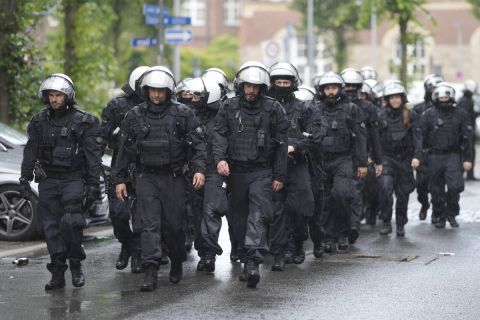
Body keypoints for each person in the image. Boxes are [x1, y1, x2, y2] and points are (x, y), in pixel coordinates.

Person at [114, 66, 206, 291]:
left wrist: (199, 170)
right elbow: (124, 149)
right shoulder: (135, 115)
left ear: (168, 91)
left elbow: (199, 146)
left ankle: (176, 261)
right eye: (152, 90)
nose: (156, 95)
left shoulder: (183, 114)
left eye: (161, 90)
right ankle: (151, 270)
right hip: (147, 178)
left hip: (174, 177)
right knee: (148, 225)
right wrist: (119, 179)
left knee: (175, 227)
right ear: (146, 91)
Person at [20, 73, 104, 290]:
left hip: (73, 179)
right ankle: (57, 272)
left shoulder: (84, 121)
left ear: (68, 96)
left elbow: (92, 156)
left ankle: (75, 264)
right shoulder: (39, 121)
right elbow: (30, 150)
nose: (54, 99)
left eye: (58, 95)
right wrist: (24, 177)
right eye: (50, 95)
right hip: (48, 180)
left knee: (71, 223)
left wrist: (94, 184)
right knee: (50, 229)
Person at [213, 61, 289, 288]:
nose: (252, 90)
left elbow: (281, 145)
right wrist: (220, 159)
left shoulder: (274, 108)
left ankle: (254, 262)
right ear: (241, 85)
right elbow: (219, 136)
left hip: (262, 172)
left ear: (262, 87)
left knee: (258, 215)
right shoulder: (228, 107)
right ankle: (246, 259)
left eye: (256, 86)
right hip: (236, 172)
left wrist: (279, 175)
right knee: (237, 220)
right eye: (248, 86)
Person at [267, 62, 325, 270]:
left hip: (297, 165)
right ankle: (283, 251)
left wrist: (295, 146)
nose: (282, 85)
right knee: (276, 211)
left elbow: (316, 136)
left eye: (286, 82)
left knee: (301, 208)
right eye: (278, 82)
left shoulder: (304, 108)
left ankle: (299, 242)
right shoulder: (264, 107)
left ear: (294, 83)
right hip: (270, 166)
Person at [311, 72, 368, 254]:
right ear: (322, 90)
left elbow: (360, 137)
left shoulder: (351, 109)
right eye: (327, 88)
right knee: (324, 199)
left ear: (340, 89)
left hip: (342, 159)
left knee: (342, 194)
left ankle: (343, 233)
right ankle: (327, 237)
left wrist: (362, 163)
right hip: (321, 160)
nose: (331, 92)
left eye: (334, 88)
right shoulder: (314, 109)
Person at [101, 66, 149, 273]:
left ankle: (138, 253)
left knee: (142, 216)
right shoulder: (117, 106)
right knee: (118, 215)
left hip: (146, 167)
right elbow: (102, 135)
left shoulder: (159, 106)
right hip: (120, 166)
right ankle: (126, 245)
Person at [412, 82, 473, 229]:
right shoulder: (428, 114)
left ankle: (451, 213)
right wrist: (418, 156)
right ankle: (439, 215)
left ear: (451, 97)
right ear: (436, 97)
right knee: (436, 189)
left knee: (454, 187)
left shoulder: (461, 114)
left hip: (453, 155)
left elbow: (467, 137)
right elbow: (420, 137)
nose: (444, 98)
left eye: (446, 96)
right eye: (441, 96)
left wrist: (467, 159)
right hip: (434, 156)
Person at [341, 68, 382, 243]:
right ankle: (341, 228)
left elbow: (373, 134)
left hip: (361, 157)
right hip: (340, 156)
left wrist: (376, 158)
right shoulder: (335, 106)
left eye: (353, 86)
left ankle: (353, 226)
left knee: (356, 193)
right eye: (346, 86)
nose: (349, 89)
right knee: (340, 194)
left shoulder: (368, 107)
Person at [377, 82, 416, 236]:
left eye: (397, 97)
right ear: (388, 99)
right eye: (392, 98)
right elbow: (374, 137)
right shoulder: (380, 115)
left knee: (403, 194)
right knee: (386, 189)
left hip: (405, 159)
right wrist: (374, 158)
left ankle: (400, 223)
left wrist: (417, 156)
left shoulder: (410, 115)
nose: (395, 100)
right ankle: (386, 222)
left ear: (402, 98)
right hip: (387, 158)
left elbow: (417, 136)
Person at [411, 74, 444, 223]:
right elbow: (414, 132)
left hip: (438, 153)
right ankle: (424, 204)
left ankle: (437, 213)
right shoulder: (418, 109)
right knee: (421, 186)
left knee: (437, 186)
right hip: (423, 153)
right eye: (432, 89)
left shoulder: (447, 108)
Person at [457, 80, 478, 180]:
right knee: (468, 151)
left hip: (466, 129)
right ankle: (466, 174)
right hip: (467, 130)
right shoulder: (466, 100)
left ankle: (469, 174)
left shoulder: (464, 99)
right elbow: (467, 116)